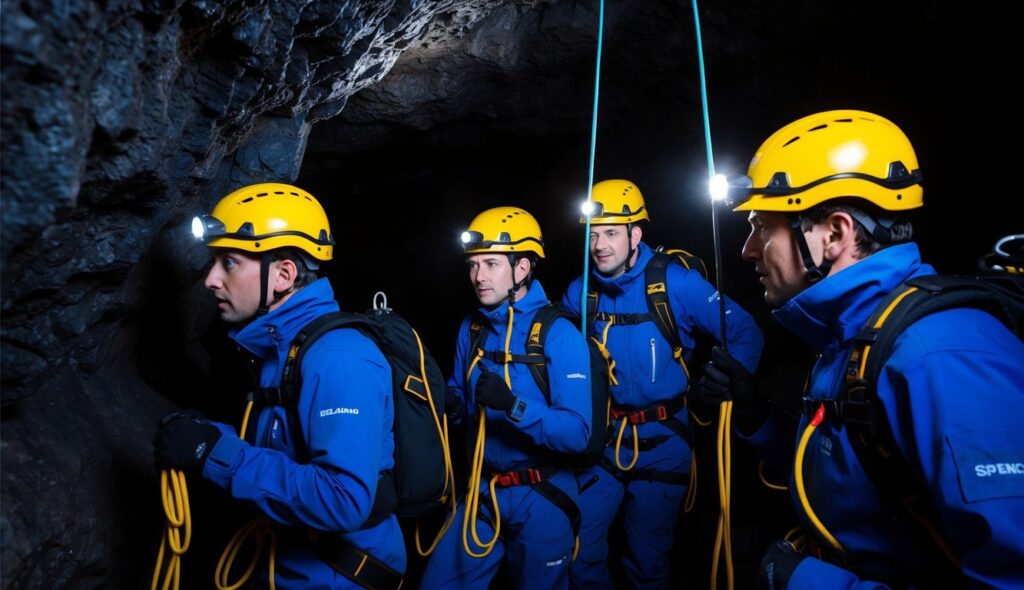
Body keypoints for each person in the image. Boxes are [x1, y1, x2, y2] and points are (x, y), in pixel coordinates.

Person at [697, 109, 1024, 588]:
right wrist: (757, 417)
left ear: (834, 234)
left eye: (763, 227)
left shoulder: (943, 357)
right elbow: (853, 471)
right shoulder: (854, 338)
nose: (749, 249)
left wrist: (812, 583)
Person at [154, 182, 406, 588]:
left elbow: (343, 499)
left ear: (284, 274)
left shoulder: (338, 358)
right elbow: (286, 449)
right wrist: (206, 435)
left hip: (338, 575)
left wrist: (214, 453)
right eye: (213, 261)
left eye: (229, 262)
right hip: (291, 566)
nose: (211, 279)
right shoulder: (285, 348)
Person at [562, 179, 764, 589]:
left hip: (663, 441)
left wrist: (726, 383)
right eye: (593, 233)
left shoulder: (676, 284)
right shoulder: (581, 292)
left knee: (646, 561)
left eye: (612, 233)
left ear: (636, 234)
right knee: (580, 549)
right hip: (603, 442)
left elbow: (745, 331)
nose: (599, 244)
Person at [420, 206, 592, 589]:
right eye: (473, 265)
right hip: (485, 490)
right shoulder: (473, 327)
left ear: (523, 267)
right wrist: (450, 403)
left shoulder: (560, 334)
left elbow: (578, 433)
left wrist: (513, 405)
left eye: (491, 263)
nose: (478, 276)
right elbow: (460, 394)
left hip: (543, 493)